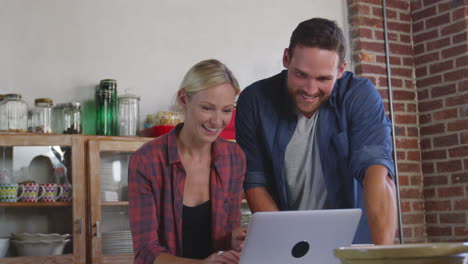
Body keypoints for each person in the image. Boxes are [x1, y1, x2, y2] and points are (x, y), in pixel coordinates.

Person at [235, 17, 397, 245]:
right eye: (301, 75)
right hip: (289, 241)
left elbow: (378, 176)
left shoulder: (359, 96)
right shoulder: (254, 101)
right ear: (286, 58)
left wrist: (382, 257)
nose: (310, 90)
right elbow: (255, 183)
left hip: (354, 246)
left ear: (341, 70)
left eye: (323, 79)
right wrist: (290, 249)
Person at [129, 59, 246, 264]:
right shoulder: (146, 161)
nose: (218, 121)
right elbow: (146, 252)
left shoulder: (234, 158)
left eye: (227, 110)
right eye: (208, 108)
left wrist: (233, 238)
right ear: (184, 99)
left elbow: (226, 233)